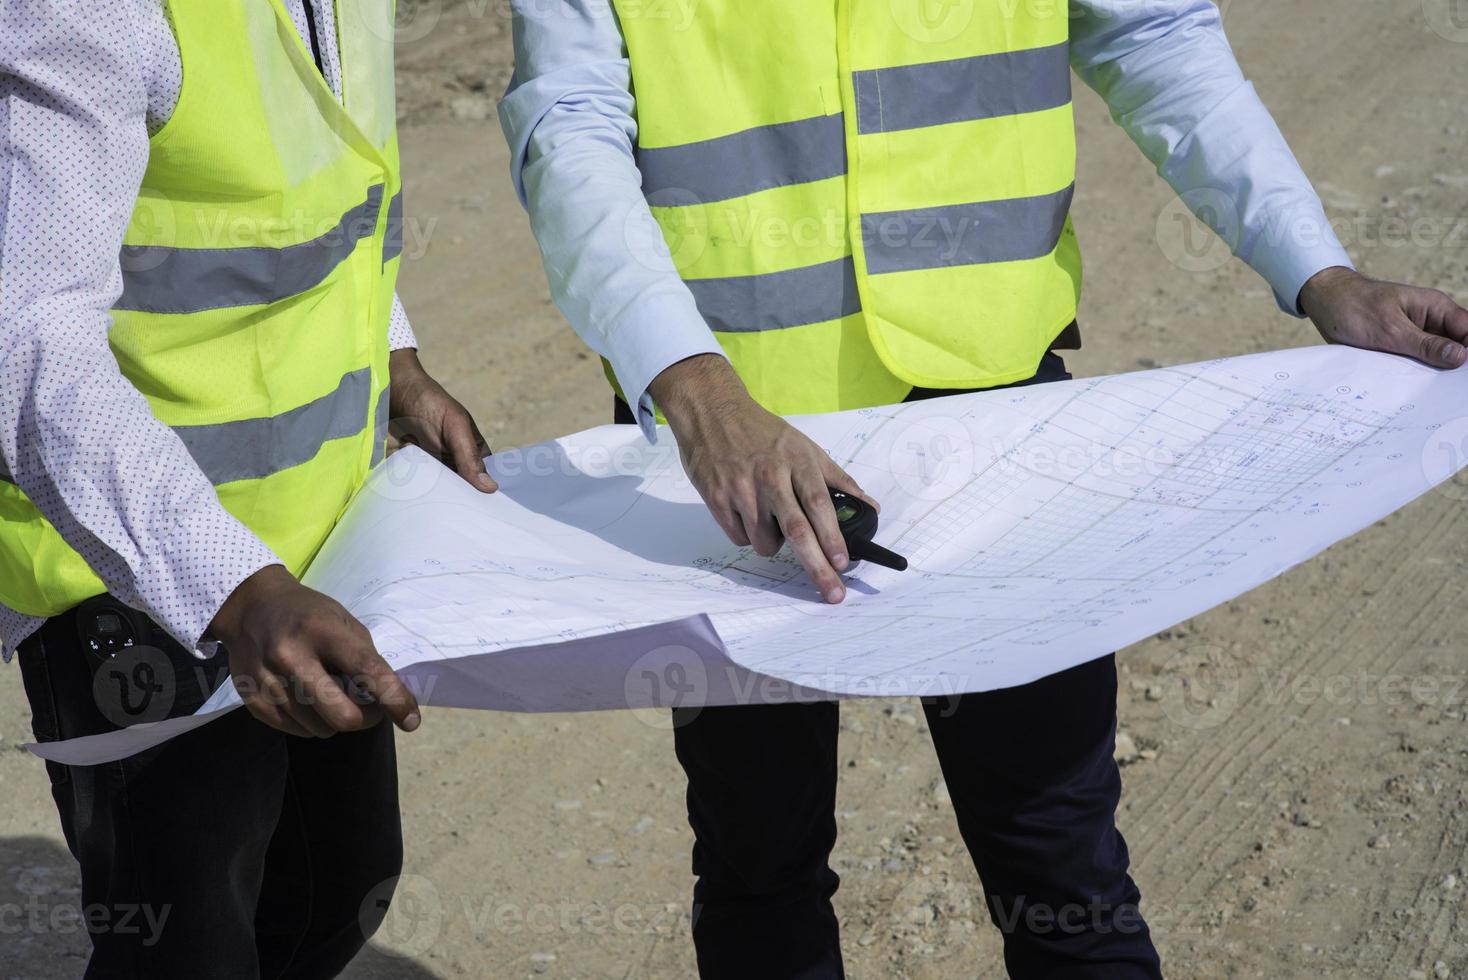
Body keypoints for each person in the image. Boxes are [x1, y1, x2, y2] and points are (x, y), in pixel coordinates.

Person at [498, 0, 1468, 977]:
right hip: (734, 441)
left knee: (1060, 864)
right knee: (761, 863)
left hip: (1000, 418)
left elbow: (1151, 31)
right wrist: (688, 381)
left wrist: (1321, 272)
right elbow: (567, 123)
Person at [1, 1, 494, 976]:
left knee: (335, 880)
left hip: (309, 552)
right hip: (127, 564)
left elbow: (316, 193)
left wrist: (396, 362)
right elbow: (28, 331)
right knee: (189, 936)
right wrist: (239, 588)